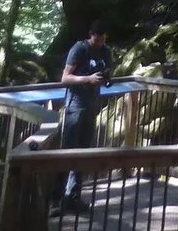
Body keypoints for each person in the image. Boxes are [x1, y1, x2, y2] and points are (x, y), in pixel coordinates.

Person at [58, 19, 113, 212]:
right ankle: (58, 199)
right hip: (75, 106)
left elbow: (107, 74)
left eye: (102, 39)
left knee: (83, 152)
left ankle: (74, 197)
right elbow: (65, 78)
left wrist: (104, 80)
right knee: (67, 152)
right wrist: (88, 79)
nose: (99, 42)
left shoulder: (106, 51)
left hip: (92, 107)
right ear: (91, 35)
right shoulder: (79, 49)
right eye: (97, 39)